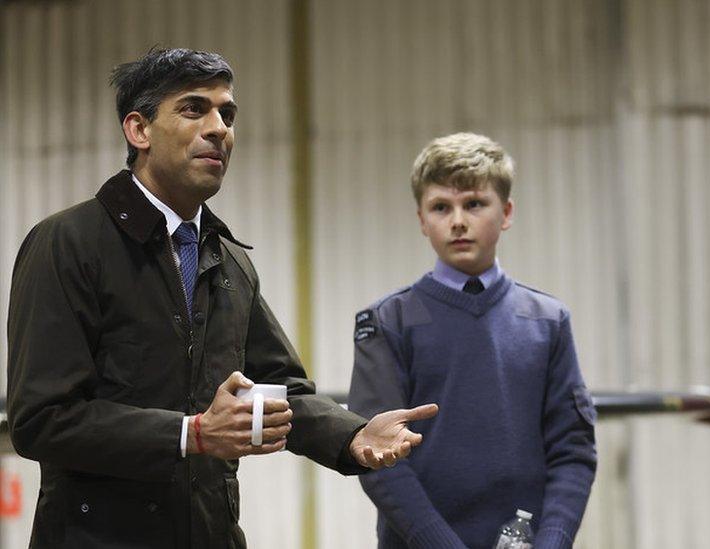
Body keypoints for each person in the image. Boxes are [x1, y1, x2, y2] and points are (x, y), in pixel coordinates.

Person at [5, 47, 437, 548]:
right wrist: (191, 434)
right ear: (139, 130)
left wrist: (350, 434)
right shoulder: (67, 243)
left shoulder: (228, 260)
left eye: (226, 114)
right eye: (194, 109)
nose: (219, 129)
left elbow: (280, 388)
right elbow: (41, 420)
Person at [347, 132, 597, 548]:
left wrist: (552, 541)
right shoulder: (388, 321)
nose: (458, 221)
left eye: (475, 204)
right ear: (422, 220)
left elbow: (573, 452)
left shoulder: (547, 320)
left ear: (507, 212)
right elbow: (380, 460)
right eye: (441, 207)